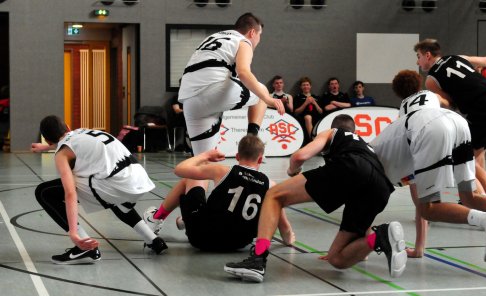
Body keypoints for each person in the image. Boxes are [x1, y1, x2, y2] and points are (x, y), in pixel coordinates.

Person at [371, 70, 486, 262]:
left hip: (430, 130)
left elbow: (420, 203)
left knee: (426, 206)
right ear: (418, 84)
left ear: (399, 93)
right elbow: (449, 102)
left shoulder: (403, 110)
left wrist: (418, 247)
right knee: (471, 196)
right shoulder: (432, 95)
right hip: (458, 124)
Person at [224, 115, 407, 283]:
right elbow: (366, 186)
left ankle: (257, 258)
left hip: (352, 167)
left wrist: (292, 171)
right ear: (356, 131)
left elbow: (299, 156)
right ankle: (379, 238)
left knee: (274, 195)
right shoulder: (366, 147)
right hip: (381, 188)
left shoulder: (333, 133)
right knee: (337, 258)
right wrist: (364, 242)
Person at [31, 115, 167, 265]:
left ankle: (84, 247)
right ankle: (153, 240)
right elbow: (68, 142)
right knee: (112, 195)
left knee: (44, 192)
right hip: (139, 178)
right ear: (68, 127)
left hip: (118, 184)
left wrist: (73, 233)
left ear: (48, 140)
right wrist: (46, 147)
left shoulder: (62, 155)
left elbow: (70, 193)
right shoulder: (81, 132)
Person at [142, 135, 295, 251]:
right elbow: (284, 228)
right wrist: (288, 238)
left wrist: (205, 156)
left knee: (190, 179)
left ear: (237, 156)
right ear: (260, 159)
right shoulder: (271, 185)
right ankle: (184, 219)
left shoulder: (222, 170)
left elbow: (179, 169)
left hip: (201, 238)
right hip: (239, 243)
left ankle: (156, 218)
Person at [414, 39, 486, 208]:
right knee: (478, 155)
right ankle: (481, 198)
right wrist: (479, 70)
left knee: (467, 158)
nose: (417, 61)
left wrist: (437, 99)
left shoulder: (431, 80)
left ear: (427, 55)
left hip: (482, 109)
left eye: (419, 56)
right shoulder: (457, 57)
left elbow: (451, 104)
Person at [178, 12, 284, 157]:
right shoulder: (243, 41)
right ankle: (251, 142)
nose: (259, 40)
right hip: (213, 91)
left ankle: (199, 176)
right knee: (262, 91)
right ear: (252, 32)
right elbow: (244, 73)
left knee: (202, 163)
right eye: (260, 35)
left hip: (189, 101)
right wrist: (268, 99)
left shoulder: (213, 37)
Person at [293, 76, 323, 142]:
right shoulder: (298, 97)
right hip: (304, 117)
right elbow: (296, 112)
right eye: (303, 85)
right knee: (308, 117)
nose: (306, 87)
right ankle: (313, 140)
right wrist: (305, 103)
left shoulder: (316, 97)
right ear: (301, 87)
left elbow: (321, 112)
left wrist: (315, 103)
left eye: (307, 85)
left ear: (310, 86)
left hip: (316, 117)